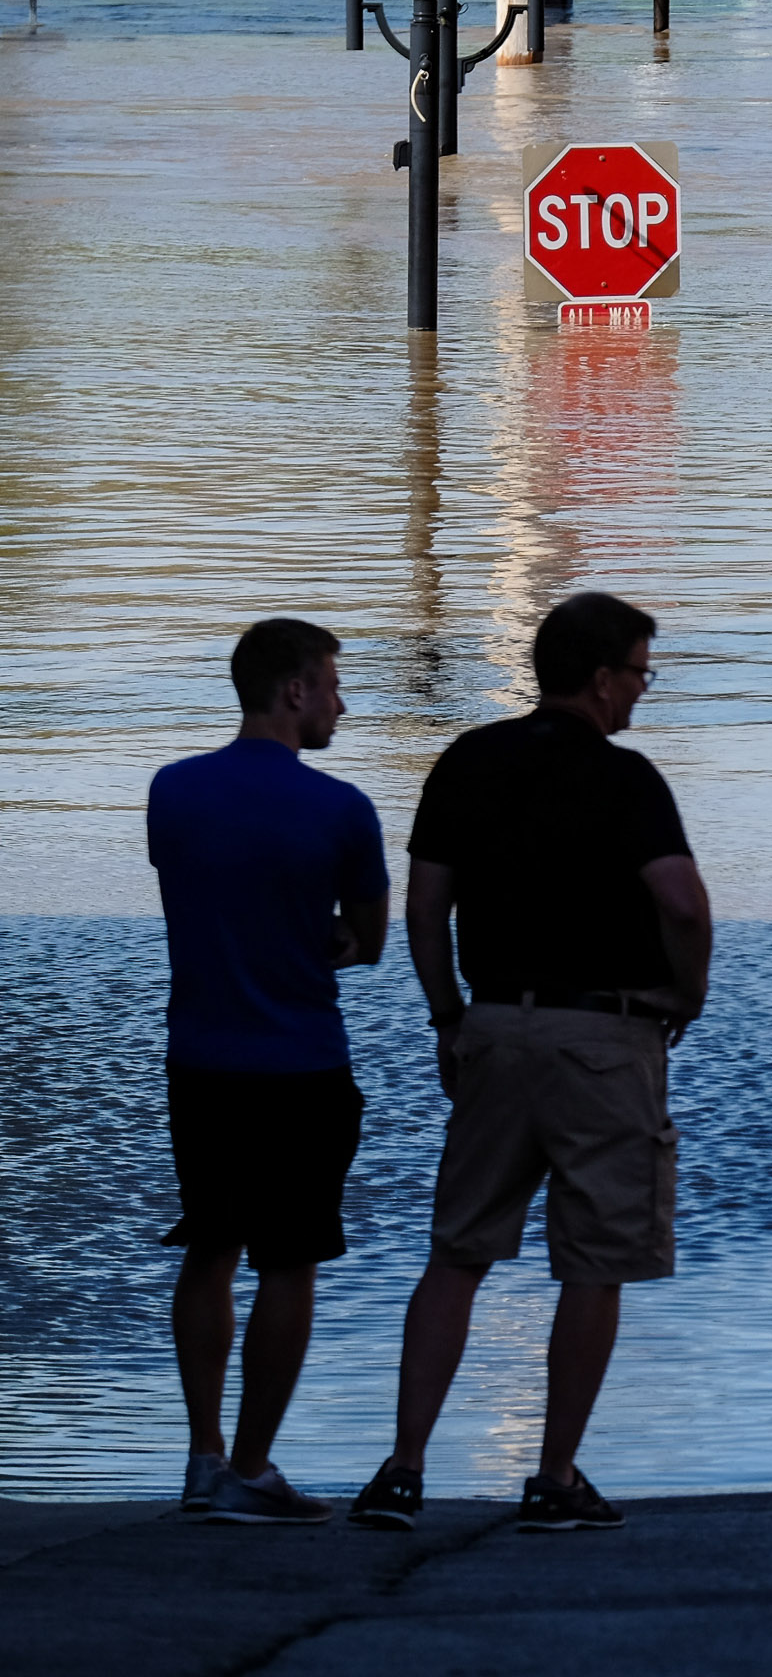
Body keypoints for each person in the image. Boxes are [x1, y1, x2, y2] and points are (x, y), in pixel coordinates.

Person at [347, 591, 713, 1536]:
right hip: (603, 1038)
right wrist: (689, 994)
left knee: (458, 1252)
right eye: (639, 673)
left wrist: (447, 1017)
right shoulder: (626, 780)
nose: (643, 692)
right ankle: (554, 1477)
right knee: (596, 1261)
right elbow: (682, 901)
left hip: (496, 1030)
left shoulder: (467, 761)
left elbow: (426, 907)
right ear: (599, 680)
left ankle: (402, 1467)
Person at [148, 617, 388, 1525]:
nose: (340, 702)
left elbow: (197, 891)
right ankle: (252, 1465)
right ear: (293, 690)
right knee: (290, 1263)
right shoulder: (340, 810)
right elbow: (366, 939)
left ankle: (202, 1456)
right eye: (331, 684)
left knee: (210, 1247)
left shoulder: (172, 792)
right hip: (300, 1065)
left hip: (200, 1061)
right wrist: (320, 939)